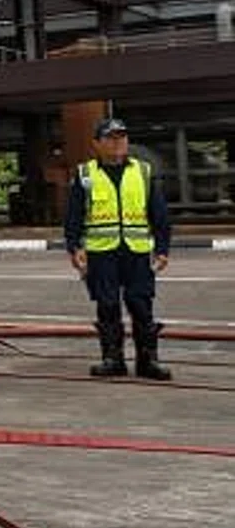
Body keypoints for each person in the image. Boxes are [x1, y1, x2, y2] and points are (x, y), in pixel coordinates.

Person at [63, 118, 173, 380]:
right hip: (101, 253)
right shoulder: (85, 175)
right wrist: (74, 246)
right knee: (107, 304)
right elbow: (73, 216)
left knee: (141, 304)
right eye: (111, 137)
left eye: (122, 137)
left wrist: (162, 248)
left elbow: (159, 215)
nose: (118, 142)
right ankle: (113, 359)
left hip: (136, 251)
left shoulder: (143, 172)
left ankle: (148, 361)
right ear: (97, 143)